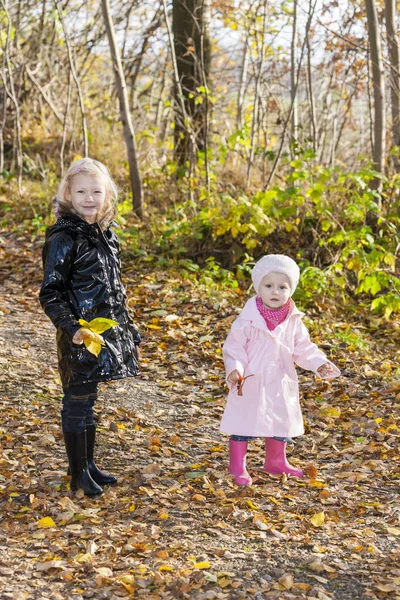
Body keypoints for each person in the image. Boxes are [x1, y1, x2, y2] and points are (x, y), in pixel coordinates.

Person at [39, 158, 141, 498]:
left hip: (104, 332)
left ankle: (89, 464)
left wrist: (128, 329)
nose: (89, 198)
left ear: (107, 193)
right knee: (77, 399)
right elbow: (51, 292)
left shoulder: (105, 233)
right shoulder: (63, 237)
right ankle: (77, 473)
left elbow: (115, 288)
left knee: (89, 398)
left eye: (96, 191)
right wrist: (72, 329)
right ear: (68, 193)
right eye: (81, 191)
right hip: (79, 333)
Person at [220, 254, 340, 485]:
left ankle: (276, 460)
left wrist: (319, 363)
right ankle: (237, 465)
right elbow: (234, 348)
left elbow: (303, 347)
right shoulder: (246, 320)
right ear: (258, 288)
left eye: (282, 287)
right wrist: (235, 368)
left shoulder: (293, 320)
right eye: (269, 285)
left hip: (280, 378)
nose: (275, 292)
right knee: (244, 421)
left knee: (279, 419)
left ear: (291, 290)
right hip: (251, 379)